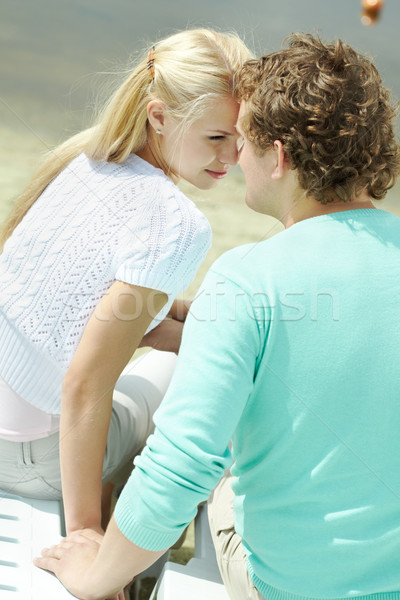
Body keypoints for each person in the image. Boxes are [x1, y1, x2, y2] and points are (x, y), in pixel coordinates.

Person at [35, 33, 400, 600]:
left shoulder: (246, 279)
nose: (234, 158)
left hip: (285, 587)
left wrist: (93, 574)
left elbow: (179, 473)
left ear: (278, 157)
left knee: (226, 462)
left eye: (244, 140)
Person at [0, 28, 253, 537]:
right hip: (31, 459)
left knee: (201, 345)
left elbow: (90, 319)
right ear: (159, 116)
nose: (232, 159)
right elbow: (84, 383)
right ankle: (147, 542)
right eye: (216, 138)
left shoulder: (82, 161)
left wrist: (205, 321)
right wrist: (85, 533)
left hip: (15, 434)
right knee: (207, 375)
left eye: (242, 139)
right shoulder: (175, 225)